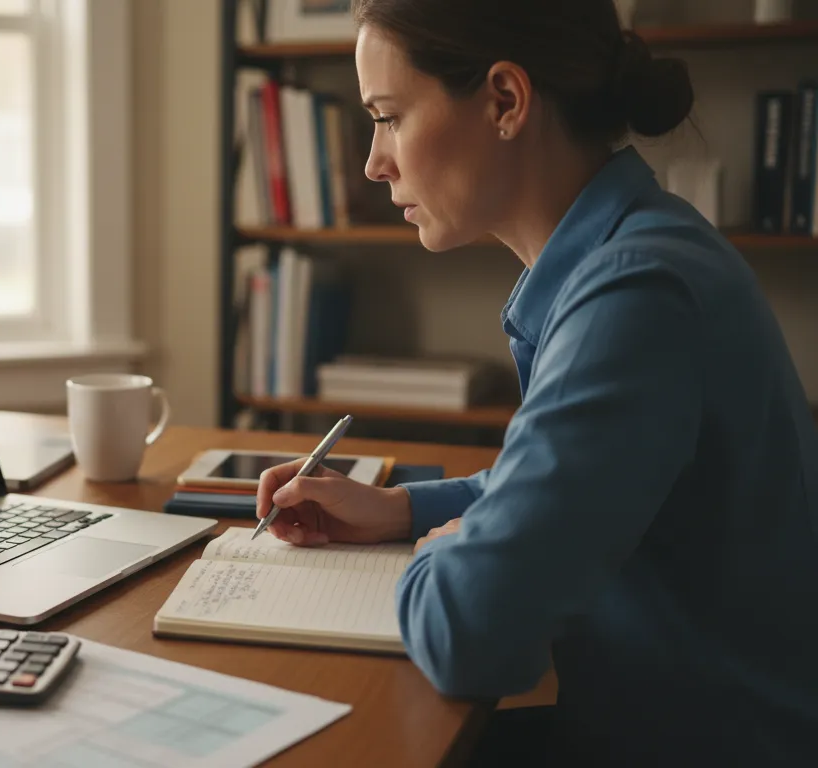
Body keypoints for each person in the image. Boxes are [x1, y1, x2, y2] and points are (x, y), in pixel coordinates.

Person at [254, 1, 818, 765]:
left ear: (505, 102)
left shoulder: (636, 296)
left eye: (387, 117)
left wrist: (442, 551)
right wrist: (405, 510)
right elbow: (565, 488)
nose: (373, 162)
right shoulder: (638, 252)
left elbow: (474, 635)